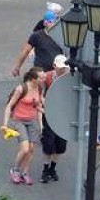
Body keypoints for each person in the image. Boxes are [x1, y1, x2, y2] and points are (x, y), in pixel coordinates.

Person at [12, 11, 66, 183]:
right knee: (39, 104)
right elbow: (24, 50)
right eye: (52, 22)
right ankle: (38, 126)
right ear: (45, 23)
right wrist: (17, 66)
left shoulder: (61, 37)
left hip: (57, 78)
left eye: (57, 22)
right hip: (40, 78)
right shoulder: (37, 36)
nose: (54, 24)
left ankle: (51, 166)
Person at [1, 68, 44, 185]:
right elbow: (9, 106)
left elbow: (38, 106)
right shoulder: (21, 89)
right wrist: (5, 124)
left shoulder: (39, 88)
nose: (43, 79)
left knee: (31, 149)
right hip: (19, 120)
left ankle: (25, 173)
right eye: (41, 77)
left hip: (32, 120)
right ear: (33, 79)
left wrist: (41, 125)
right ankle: (15, 170)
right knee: (25, 149)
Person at [38, 53, 69, 184]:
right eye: (60, 68)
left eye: (64, 67)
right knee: (48, 144)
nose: (62, 70)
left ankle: (52, 169)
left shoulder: (69, 77)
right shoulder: (48, 77)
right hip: (50, 114)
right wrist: (47, 104)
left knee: (60, 145)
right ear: (54, 66)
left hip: (64, 115)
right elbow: (40, 95)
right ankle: (45, 169)